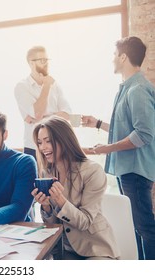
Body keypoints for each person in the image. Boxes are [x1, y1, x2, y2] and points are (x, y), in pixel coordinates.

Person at [82, 36, 155, 260]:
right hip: (129, 171)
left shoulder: (138, 90)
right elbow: (126, 129)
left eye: (114, 55)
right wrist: (97, 124)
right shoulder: (128, 88)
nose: (112, 59)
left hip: (136, 172)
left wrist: (106, 149)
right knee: (137, 227)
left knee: (145, 229)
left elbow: (143, 134)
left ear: (123, 57)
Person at [32, 116, 120, 260]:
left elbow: (84, 221)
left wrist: (60, 200)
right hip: (64, 251)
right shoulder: (47, 173)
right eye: (40, 143)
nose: (43, 148)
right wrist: (46, 207)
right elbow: (53, 226)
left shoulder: (92, 171)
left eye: (48, 141)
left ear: (64, 140)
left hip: (95, 249)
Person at [14, 46, 71, 159]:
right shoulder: (22, 87)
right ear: (31, 63)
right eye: (42, 60)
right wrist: (47, 86)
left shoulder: (55, 85)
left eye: (47, 60)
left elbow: (67, 115)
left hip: (57, 145)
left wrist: (43, 118)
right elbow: (38, 114)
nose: (46, 63)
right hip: (34, 148)